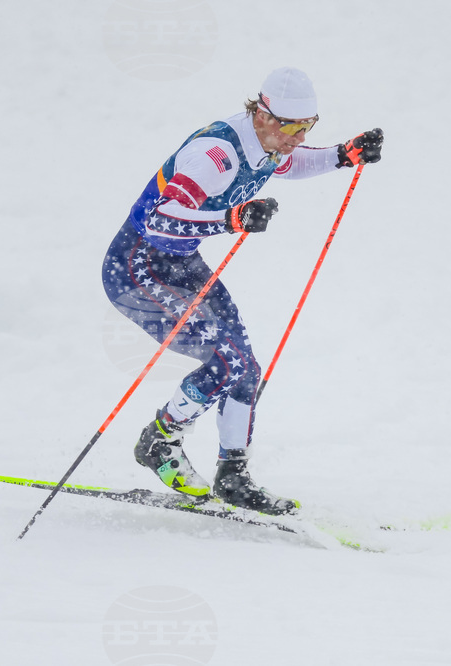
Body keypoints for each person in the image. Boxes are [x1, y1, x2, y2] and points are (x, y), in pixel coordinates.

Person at [101, 66, 383, 515]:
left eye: (307, 127)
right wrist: (229, 221)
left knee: (246, 367)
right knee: (223, 358)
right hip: (138, 270)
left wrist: (344, 155)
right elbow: (160, 220)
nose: (297, 137)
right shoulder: (216, 153)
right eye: (291, 127)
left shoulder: (271, 143)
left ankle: (233, 475)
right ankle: (160, 440)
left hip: (182, 265)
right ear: (263, 114)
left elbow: (292, 162)